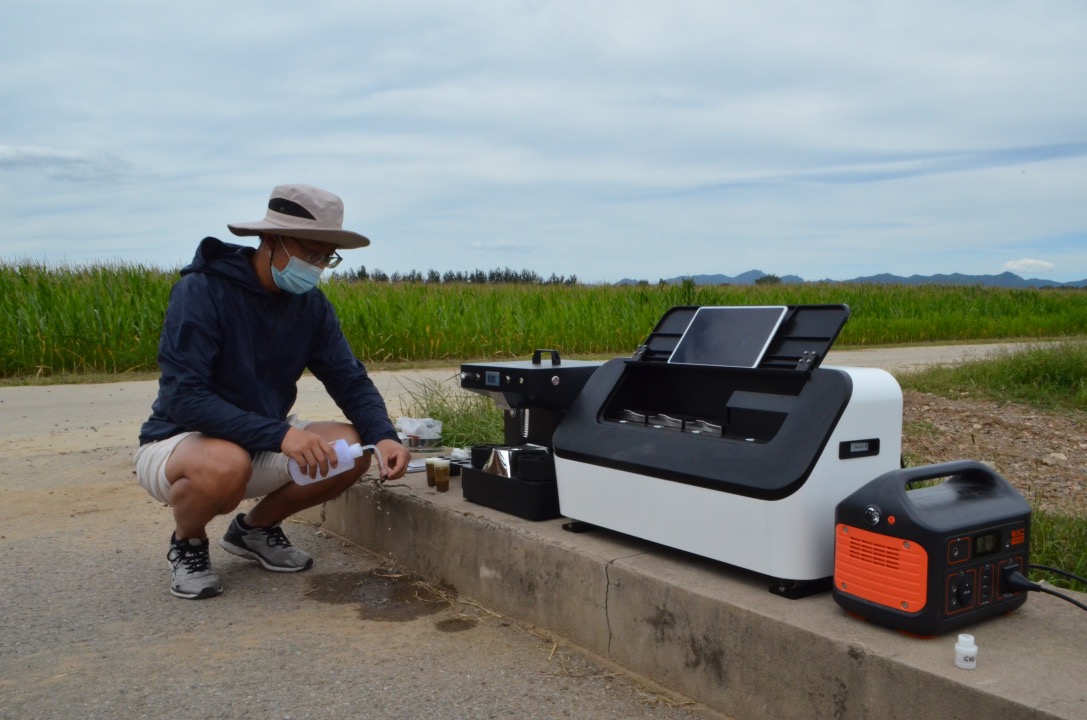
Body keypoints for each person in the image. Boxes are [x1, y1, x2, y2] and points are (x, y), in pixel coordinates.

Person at [134, 183, 411, 600]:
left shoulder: (311, 307)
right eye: (308, 251)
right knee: (226, 464)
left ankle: (255, 530)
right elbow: (184, 398)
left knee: (352, 448)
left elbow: (348, 378)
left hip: (259, 438)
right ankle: (187, 544)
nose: (316, 265)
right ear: (270, 239)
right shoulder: (202, 291)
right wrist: (281, 436)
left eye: (325, 257)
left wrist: (384, 434)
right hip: (180, 440)